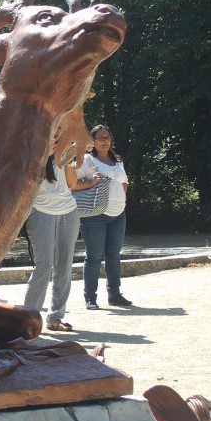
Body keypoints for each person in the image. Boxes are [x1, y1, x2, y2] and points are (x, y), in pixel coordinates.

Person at [22, 129, 80, 331]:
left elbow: (72, 184)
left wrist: (71, 159)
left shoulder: (67, 151)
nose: (58, 134)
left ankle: (55, 317)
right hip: (41, 211)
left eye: (61, 131)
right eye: (54, 131)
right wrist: (44, 155)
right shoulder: (33, 151)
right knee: (44, 266)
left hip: (69, 212)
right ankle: (28, 318)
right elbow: (27, 181)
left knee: (64, 266)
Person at [71, 124, 131, 309]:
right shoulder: (86, 160)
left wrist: (120, 201)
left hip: (118, 214)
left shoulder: (117, 160)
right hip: (94, 214)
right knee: (94, 256)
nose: (105, 141)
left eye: (107, 137)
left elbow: (125, 182)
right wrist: (90, 182)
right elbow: (72, 183)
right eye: (100, 137)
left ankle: (114, 295)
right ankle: (90, 298)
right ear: (93, 141)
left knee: (113, 255)